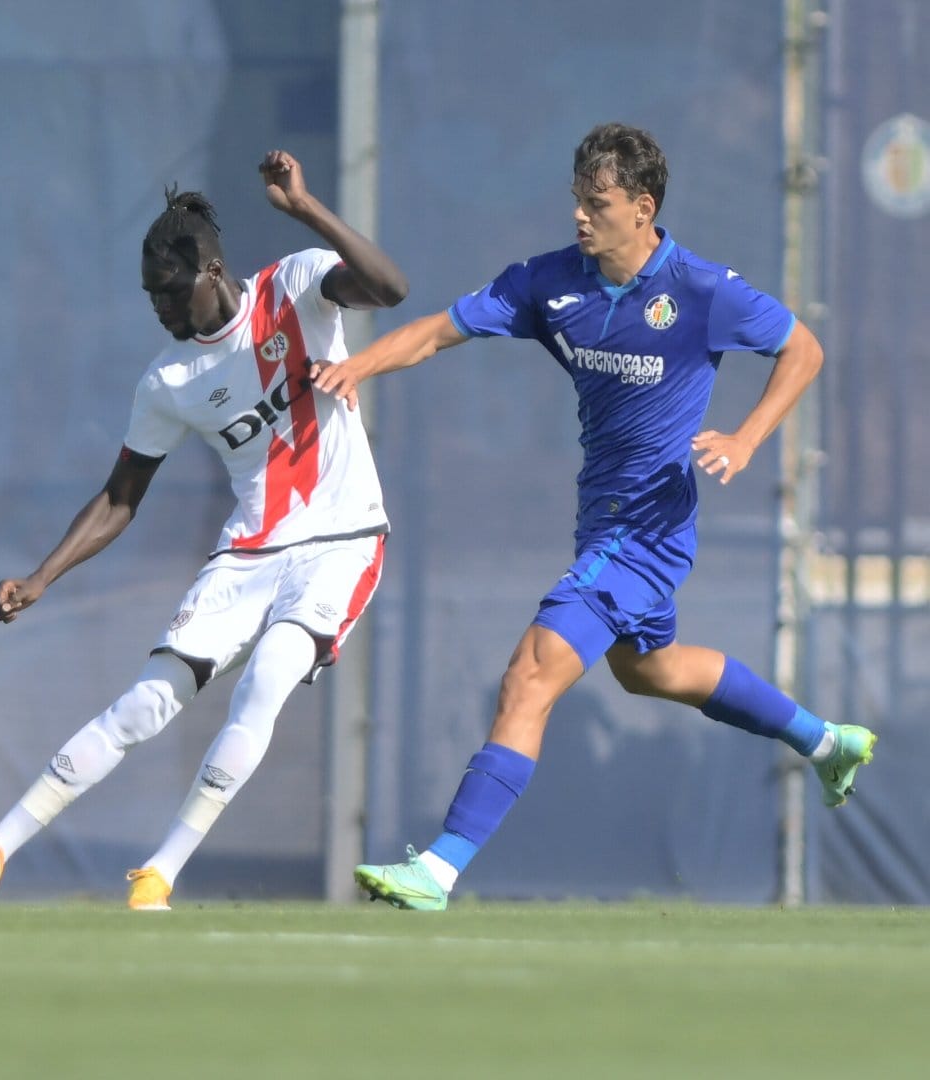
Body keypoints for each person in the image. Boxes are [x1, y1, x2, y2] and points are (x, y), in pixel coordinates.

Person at [311, 122, 876, 911]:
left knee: (528, 677)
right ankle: (824, 740)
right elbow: (439, 331)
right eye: (577, 200)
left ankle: (436, 870)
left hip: (645, 533)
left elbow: (803, 349)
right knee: (652, 669)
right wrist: (356, 365)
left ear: (642, 209)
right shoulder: (550, 283)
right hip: (602, 523)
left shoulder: (702, 290)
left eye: (598, 203)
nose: (580, 216)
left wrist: (747, 439)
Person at [0, 149, 407, 910]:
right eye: (148, 295)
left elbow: (391, 289)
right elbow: (118, 497)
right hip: (249, 551)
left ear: (211, 270)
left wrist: (306, 210)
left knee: (267, 680)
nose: (160, 308)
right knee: (144, 703)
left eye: (169, 290)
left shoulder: (296, 285)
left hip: (342, 538)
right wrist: (41, 577)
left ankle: (159, 871)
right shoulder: (168, 381)